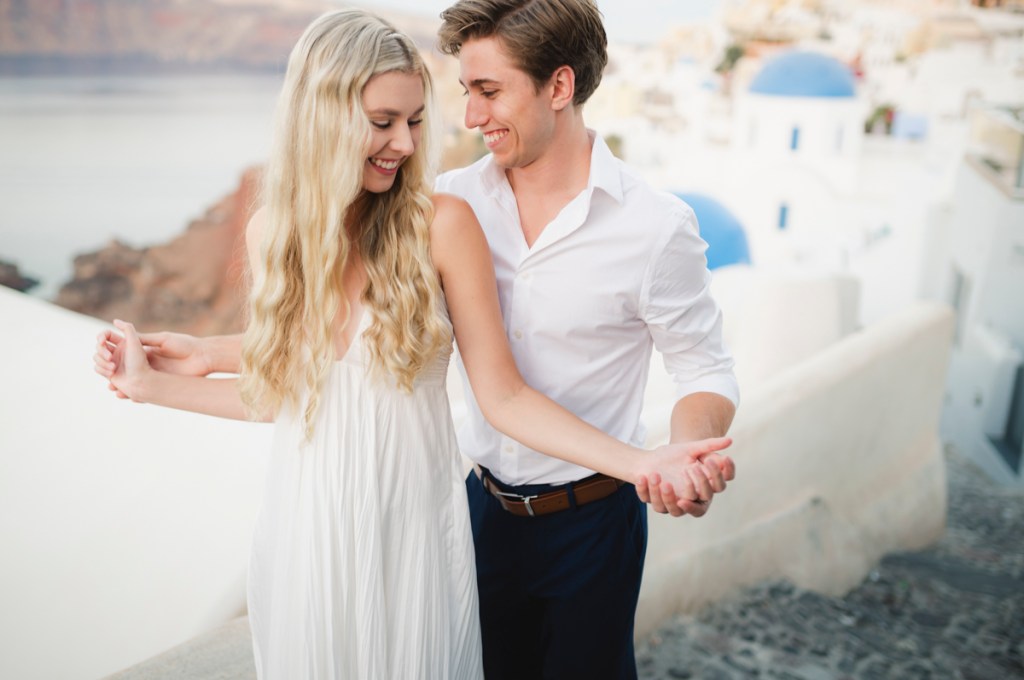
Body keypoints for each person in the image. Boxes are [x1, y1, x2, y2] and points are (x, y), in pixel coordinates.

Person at [93, 8, 734, 680]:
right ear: (326, 117)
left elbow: (513, 391)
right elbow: (309, 381)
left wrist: (650, 463)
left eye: (480, 94)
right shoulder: (301, 229)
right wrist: (180, 368)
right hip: (336, 526)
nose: (423, 135)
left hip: (535, 515)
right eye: (387, 120)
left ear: (560, 86)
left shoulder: (455, 220)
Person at [432, 1, 740, 677]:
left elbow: (705, 370)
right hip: (477, 513)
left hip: (594, 523)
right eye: (466, 92)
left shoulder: (656, 227)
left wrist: (684, 449)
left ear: (560, 87)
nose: (471, 116)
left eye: (489, 92)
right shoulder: (449, 204)